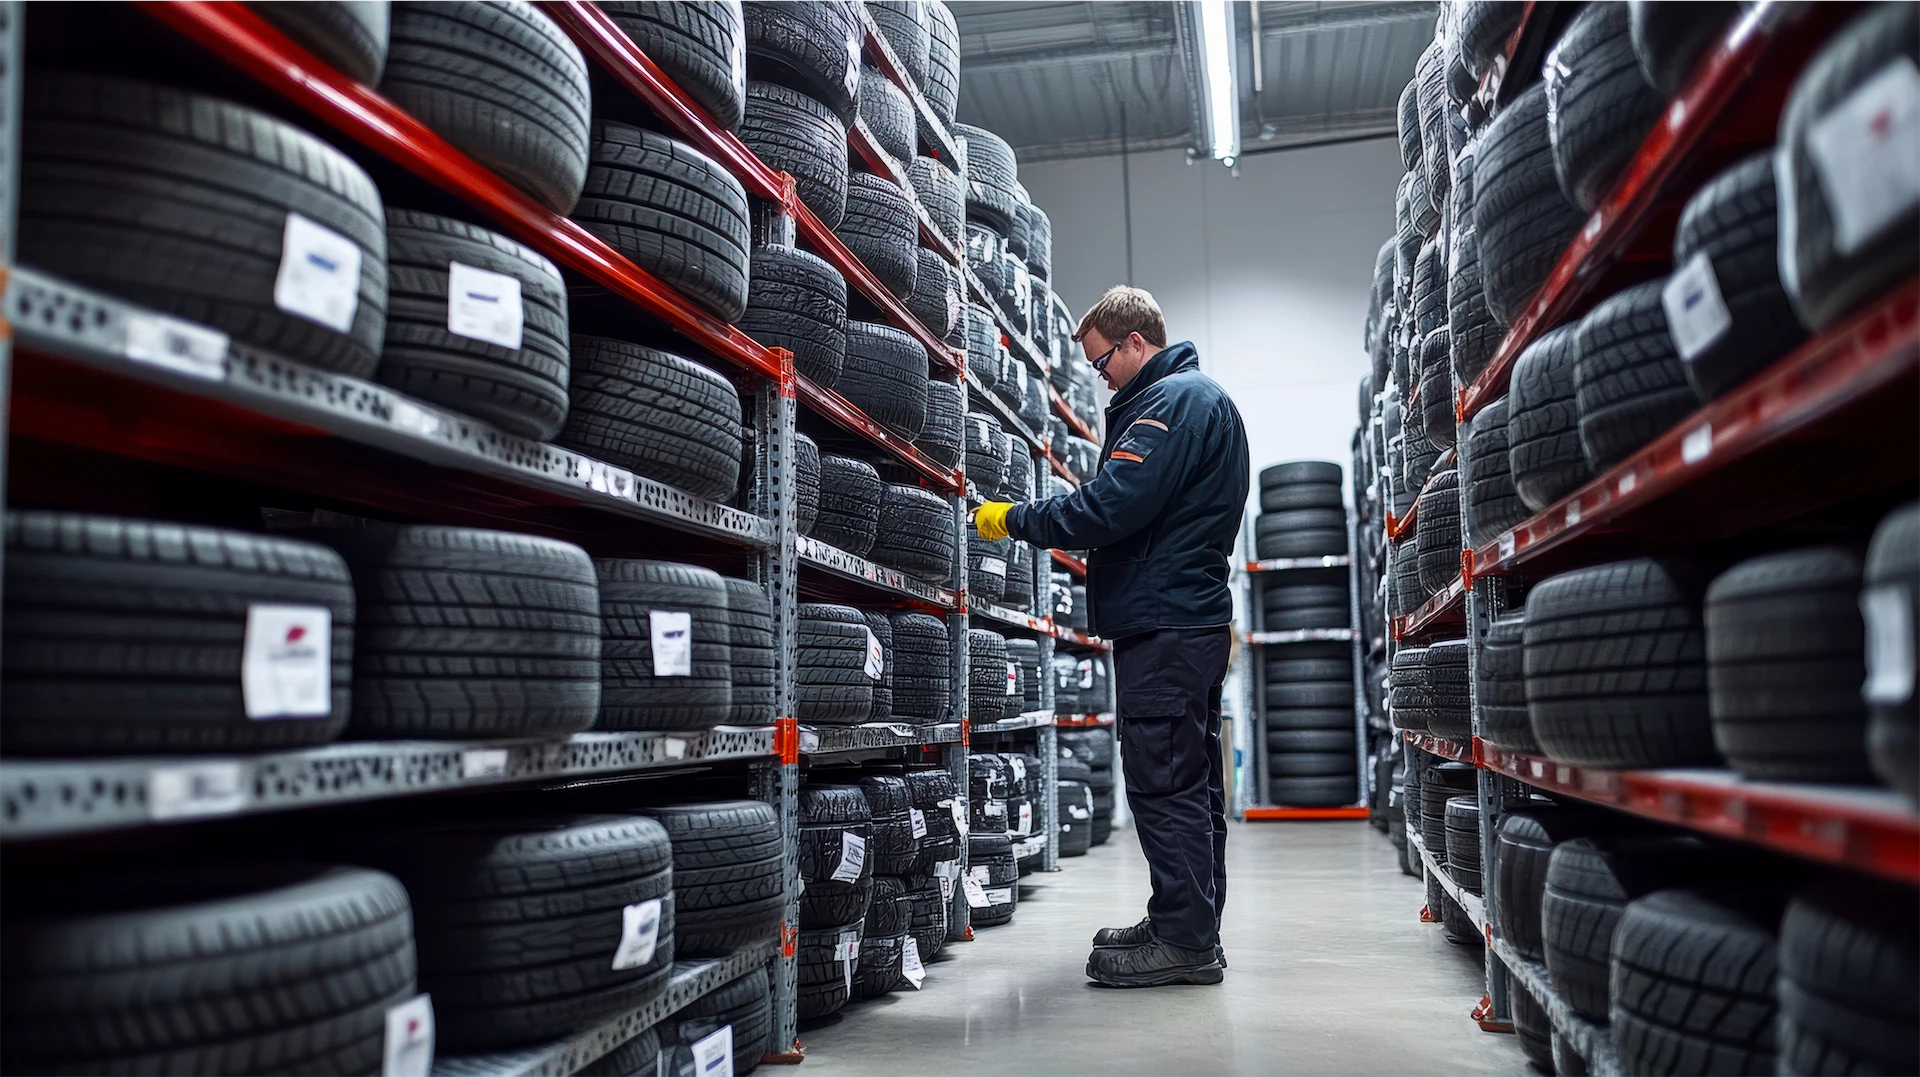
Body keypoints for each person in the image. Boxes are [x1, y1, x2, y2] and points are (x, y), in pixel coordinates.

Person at [973, 285, 1249, 987]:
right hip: (1182, 619)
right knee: (1188, 783)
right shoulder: (1193, 400)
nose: (1101, 379)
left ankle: (1185, 940)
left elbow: (1111, 507)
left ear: (1135, 342)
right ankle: (1188, 923)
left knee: (1164, 782)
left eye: (1103, 363)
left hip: (1166, 622)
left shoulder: (1171, 402)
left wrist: (1016, 518)